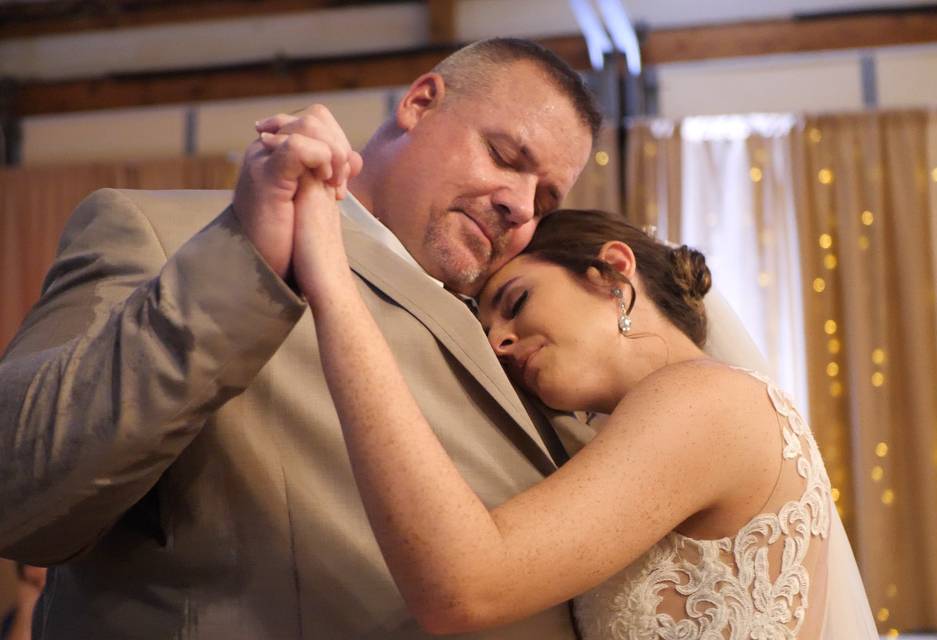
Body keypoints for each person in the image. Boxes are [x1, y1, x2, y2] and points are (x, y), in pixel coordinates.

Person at [1, 37, 762, 639]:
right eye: (506, 157)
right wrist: (244, 262)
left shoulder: (528, 339)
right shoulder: (169, 236)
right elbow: (17, 491)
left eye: (547, 196)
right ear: (421, 102)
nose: (519, 208)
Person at [287, 174, 879, 638]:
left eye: (515, 303)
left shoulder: (707, 400)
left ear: (612, 273)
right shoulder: (659, 421)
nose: (497, 343)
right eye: (486, 328)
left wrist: (332, 287)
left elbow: (465, 587)